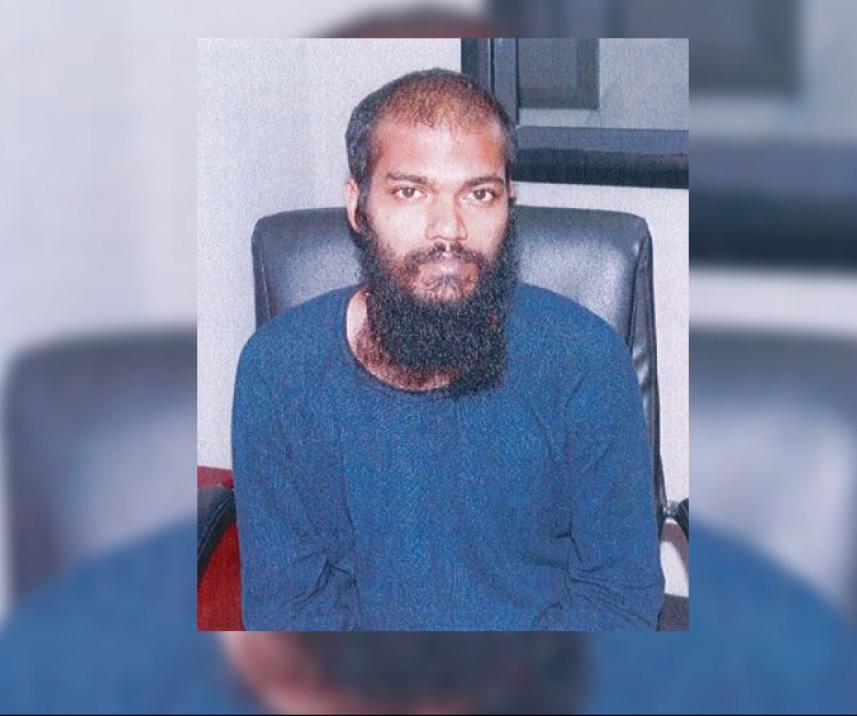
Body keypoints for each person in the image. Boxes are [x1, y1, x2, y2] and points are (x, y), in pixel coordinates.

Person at [232, 68, 663, 631]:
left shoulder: (585, 360)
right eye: (410, 191)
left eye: (479, 194)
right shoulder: (276, 370)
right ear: (358, 206)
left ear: (509, 204)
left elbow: (619, 595)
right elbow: (287, 607)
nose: (449, 229)